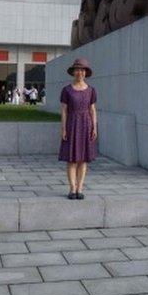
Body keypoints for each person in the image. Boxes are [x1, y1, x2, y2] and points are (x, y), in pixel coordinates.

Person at [59, 59, 98, 200]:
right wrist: (63, 128)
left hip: (86, 124)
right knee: (71, 159)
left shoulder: (91, 90)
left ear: (86, 72)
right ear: (73, 72)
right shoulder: (67, 90)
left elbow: (93, 110)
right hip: (72, 124)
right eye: (77, 69)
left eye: (82, 70)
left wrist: (94, 127)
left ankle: (80, 188)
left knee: (83, 159)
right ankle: (72, 188)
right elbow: (64, 110)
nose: (79, 72)